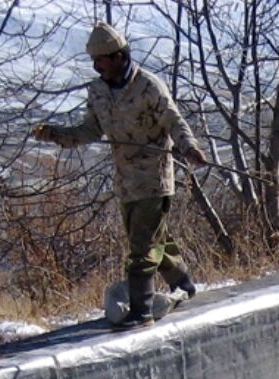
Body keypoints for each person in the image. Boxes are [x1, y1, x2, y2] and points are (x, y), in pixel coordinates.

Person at [33, 22, 206, 330]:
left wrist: (189, 147)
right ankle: (183, 282)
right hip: (125, 181)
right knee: (154, 237)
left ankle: (142, 310)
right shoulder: (98, 91)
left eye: (101, 60)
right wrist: (56, 135)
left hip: (154, 178)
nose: (96, 67)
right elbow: (89, 129)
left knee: (142, 246)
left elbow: (174, 122)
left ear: (118, 56)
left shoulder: (148, 86)